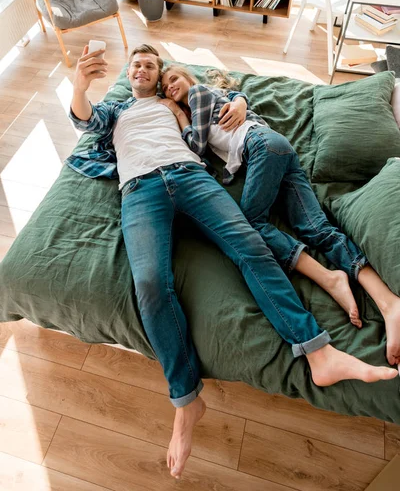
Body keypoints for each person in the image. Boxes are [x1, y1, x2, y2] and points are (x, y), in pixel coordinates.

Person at [68, 45, 397, 481]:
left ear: (161, 73)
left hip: (189, 175)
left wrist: (238, 101)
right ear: (129, 76)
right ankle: (186, 402)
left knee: (250, 245)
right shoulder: (116, 109)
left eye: (151, 64)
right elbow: (84, 119)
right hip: (140, 191)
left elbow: (207, 122)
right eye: (137, 65)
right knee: (149, 284)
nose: (144, 69)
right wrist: (78, 84)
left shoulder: (173, 105)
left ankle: (319, 353)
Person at [161, 65, 400, 369]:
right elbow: (233, 99)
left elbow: (194, 145)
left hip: (261, 147)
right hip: (277, 147)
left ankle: (329, 278)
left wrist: (179, 115)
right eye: (165, 86)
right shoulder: (218, 98)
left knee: (250, 226)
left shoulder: (196, 94)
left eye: (174, 79)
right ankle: (388, 302)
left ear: (189, 79)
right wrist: (236, 100)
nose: (170, 87)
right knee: (318, 229)